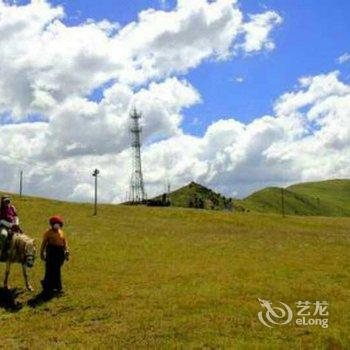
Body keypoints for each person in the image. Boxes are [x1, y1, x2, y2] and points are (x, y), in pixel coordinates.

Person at [40, 215, 69, 295]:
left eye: (58, 224)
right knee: (49, 270)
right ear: (52, 225)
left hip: (59, 253)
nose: (57, 226)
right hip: (51, 253)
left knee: (57, 270)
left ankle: (56, 287)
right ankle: (48, 287)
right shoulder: (48, 233)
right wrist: (41, 253)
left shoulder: (61, 232)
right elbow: (44, 243)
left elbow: (64, 242)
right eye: (55, 224)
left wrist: (66, 251)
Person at [0, 196, 21, 261]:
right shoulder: (0, 209)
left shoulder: (12, 207)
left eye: (8, 201)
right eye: (6, 201)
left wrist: (16, 224)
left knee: (21, 236)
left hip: (14, 226)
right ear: (3, 202)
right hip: (3, 226)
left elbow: (16, 216)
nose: (7, 202)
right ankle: (1, 251)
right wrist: (10, 225)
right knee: (4, 235)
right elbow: (1, 220)